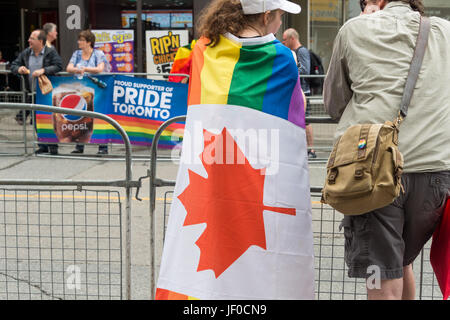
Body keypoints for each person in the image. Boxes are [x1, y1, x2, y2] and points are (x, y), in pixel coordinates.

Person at [156, 0, 315, 300]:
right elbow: (296, 113)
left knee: (211, 257)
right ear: (267, 15)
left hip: (212, 177)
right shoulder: (282, 58)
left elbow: (180, 73)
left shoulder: (204, 49)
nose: (280, 24)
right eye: (280, 16)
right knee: (259, 259)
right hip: (260, 185)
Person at [323, 0, 450, 300]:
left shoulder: (354, 29)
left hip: (375, 172)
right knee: (402, 261)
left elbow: (334, 104)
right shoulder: (446, 32)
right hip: (435, 173)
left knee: (382, 278)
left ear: (376, 2)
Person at [11, 29, 62, 155]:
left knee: (50, 118)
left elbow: (59, 65)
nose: (29, 40)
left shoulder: (50, 52)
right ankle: (42, 145)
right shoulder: (26, 53)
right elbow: (13, 65)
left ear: (40, 41)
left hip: (47, 92)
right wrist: (19, 69)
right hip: (32, 92)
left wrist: (44, 70)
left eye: (32, 38)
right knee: (36, 120)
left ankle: (53, 146)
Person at [66, 29, 109, 155]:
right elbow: (68, 68)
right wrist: (76, 70)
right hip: (79, 90)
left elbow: (100, 69)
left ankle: (102, 147)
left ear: (89, 42)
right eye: (79, 40)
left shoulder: (98, 54)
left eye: (82, 40)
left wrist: (85, 69)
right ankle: (80, 146)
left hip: (96, 91)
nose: (79, 42)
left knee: (98, 117)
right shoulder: (77, 54)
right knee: (80, 117)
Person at [282, 28, 317, 159]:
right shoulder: (294, 52)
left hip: (304, 91)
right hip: (298, 90)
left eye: (285, 40)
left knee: (306, 121)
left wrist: (291, 70)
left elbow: (305, 70)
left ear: (292, 38)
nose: (283, 43)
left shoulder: (301, 51)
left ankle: (311, 149)